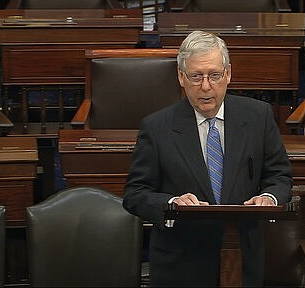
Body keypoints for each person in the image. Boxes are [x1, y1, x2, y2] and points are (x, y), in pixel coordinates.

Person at [122, 30, 293, 287]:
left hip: (242, 260)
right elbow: (135, 193)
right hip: (181, 265)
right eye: (196, 76)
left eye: (214, 75)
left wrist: (268, 198)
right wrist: (171, 203)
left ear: (228, 74)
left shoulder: (259, 117)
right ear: (181, 77)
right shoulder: (157, 127)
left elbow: (279, 176)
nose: (205, 86)